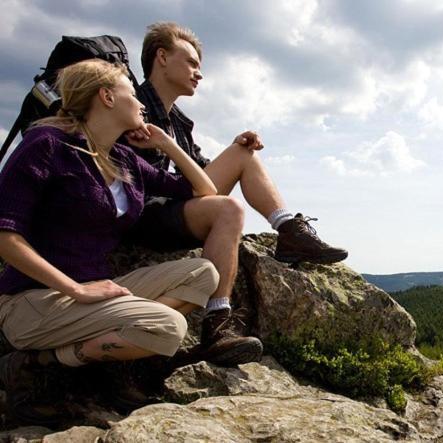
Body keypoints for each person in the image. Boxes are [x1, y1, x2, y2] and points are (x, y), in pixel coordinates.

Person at [0, 59, 262, 425]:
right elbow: (5, 236)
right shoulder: (46, 145)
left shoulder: (123, 158)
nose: (141, 102)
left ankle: (77, 354)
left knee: (204, 274)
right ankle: (40, 366)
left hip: (90, 293)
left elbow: (204, 190)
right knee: (169, 326)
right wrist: (75, 289)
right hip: (33, 302)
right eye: (131, 93)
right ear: (106, 97)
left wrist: (166, 143)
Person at [125, 23, 348, 340]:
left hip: (174, 208)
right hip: (146, 214)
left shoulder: (178, 122)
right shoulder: (134, 108)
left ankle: (288, 231)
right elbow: (139, 180)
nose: (198, 74)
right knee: (229, 208)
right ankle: (217, 319)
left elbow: (200, 169)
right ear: (161, 57)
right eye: (190, 63)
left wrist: (230, 152)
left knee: (244, 152)